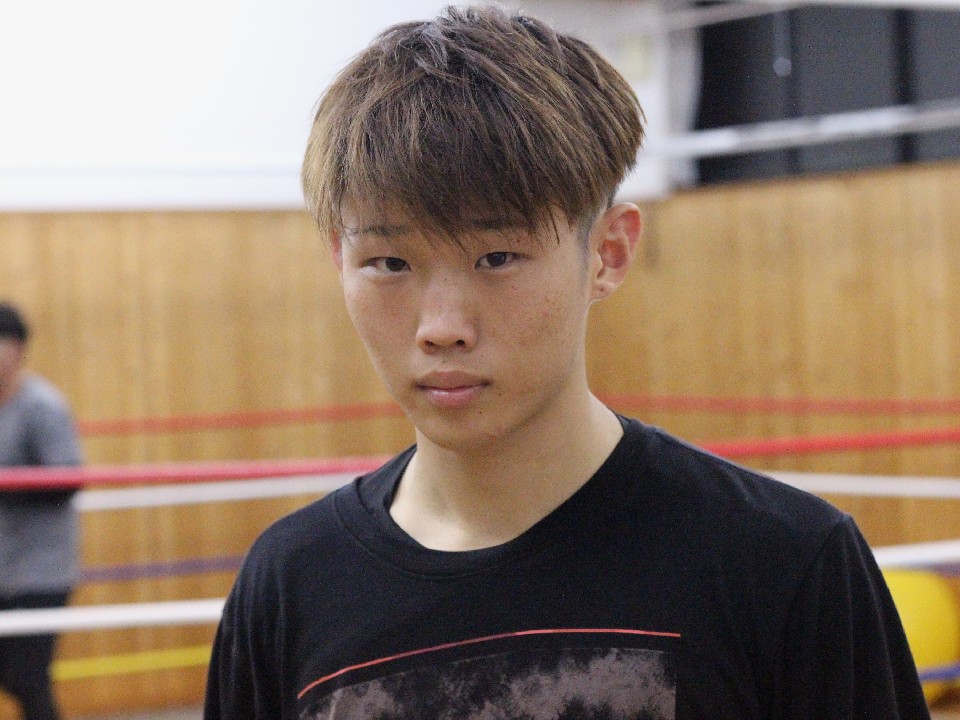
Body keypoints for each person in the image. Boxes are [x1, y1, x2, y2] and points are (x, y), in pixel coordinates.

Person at [205, 6, 930, 719]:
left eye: (498, 257)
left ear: (607, 253)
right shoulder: (289, 587)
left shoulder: (783, 564)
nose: (442, 328)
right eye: (389, 263)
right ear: (339, 258)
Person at [0, 302, 82, 720]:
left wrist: (9, 485)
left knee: (27, 679)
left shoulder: (42, 406)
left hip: (40, 570)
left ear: (16, 349)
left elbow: (67, 480)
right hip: (4, 566)